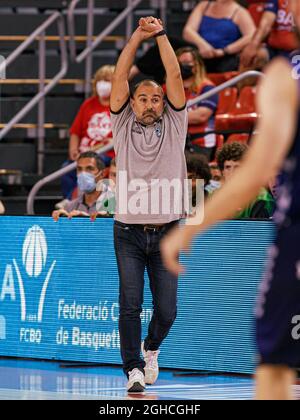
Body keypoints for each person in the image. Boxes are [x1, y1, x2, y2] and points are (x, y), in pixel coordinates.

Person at [161, 0, 300, 399]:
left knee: (274, 366)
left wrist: (191, 228)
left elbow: (255, 170)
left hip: (295, 234)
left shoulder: (284, 74)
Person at [110, 17, 188, 393]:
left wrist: (159, 36)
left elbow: (173, 72)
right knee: (130, 304)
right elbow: (120, 75)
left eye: (156, 98)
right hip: (127, 231)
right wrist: (137, 36)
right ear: (132, 102)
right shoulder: (122, 124)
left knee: (168, 311)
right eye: (143, 98)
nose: (150, 104)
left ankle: (151, 348)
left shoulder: (176, 123)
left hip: (169, 230)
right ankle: (133, 370)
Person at [57, 65, 115, 209]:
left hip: (105, 153)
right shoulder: (88, 104)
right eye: (100, 80)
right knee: (67, 168)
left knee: (93, 165)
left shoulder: (118, 106)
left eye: (107, 80)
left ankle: (92, 202)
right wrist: (73, 149)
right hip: (84, 151)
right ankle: (69, 199)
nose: (103, 83)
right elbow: (75, 131)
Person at [183, 0, 256, 73]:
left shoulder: (240, 12)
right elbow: (188, 31)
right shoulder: (204, 5)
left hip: (224, 57)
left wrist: (224, 51)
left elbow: (251, 36)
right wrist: (203, 45)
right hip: (201, 53)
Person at [176, 47, 219, 161]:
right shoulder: (168, 89)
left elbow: (201, 116)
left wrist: (171, 116)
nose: (182, 66)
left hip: (200, 143)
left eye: (186, 63)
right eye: (179, 63)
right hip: (176, 142)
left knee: (195, 177)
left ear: (197, 65)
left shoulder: (207, 88)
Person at [216, 142, 275, 218]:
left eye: (237, 167)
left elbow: (257, 229)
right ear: (222, 172)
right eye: (228, 167)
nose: (232, 172)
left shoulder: (262, 199)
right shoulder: (215, 196)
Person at [241, 0, 297, 69]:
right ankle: (239, 78)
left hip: (296, 51)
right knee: (251, 58)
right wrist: (253, 45)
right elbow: (266, 24)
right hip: (275, 49)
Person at [52, 151, 106, 221]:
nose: (83, 173)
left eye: (89, 169)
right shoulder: (69, 207)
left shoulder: (116, 204)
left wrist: (87, 219)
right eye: (79, 169)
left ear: (102, 174)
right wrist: (62, 221)